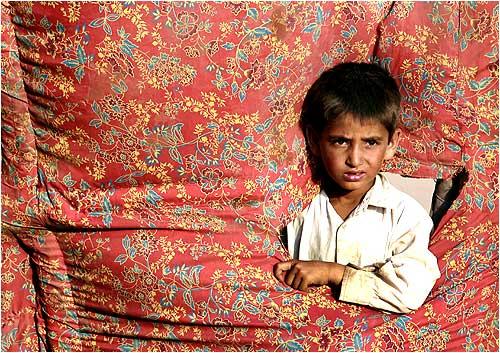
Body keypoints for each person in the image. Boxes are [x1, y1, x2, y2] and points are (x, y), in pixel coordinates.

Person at [274, 62, 440, 314]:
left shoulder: (405, 215)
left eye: (371, 143)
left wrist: (334, 273)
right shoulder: (297, 205)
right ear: (313, 140)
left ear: (391, 143)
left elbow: (410, 291)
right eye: (340, 141)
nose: (355, 159)